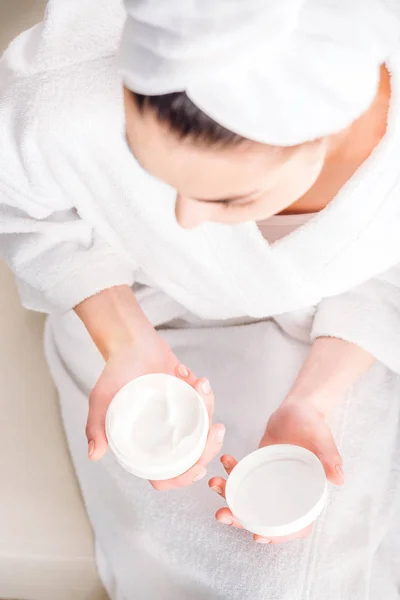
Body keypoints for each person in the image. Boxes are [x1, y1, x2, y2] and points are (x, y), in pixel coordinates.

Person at [1, 0, 400, 597]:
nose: (186, 220)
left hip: (346, 338)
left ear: (331, 133)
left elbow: (385, 280)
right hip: (143, 318)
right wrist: (124, 341)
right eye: (152, 170)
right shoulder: (67, 99)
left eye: (228, 200)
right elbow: (27, 210)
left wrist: (313, 402)